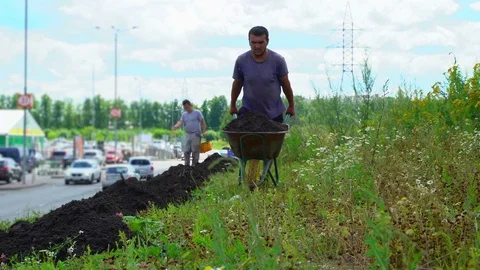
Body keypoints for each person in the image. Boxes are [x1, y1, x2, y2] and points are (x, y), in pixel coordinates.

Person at [229, 25, 295, 122]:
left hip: (273, 114)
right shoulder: (242, 61)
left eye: (261, 42)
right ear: (249, 42)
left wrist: (291, 105)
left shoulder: (278, 60)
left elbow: (286, 84)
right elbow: (237, 84)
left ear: (267, 41)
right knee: (245, 136)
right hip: (249, 112)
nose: (257, 46)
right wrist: (233, 105)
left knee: (273, 137)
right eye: (254, 42)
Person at [172, 100, 207, 166]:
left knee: (195, 151)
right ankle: (186, 166)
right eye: (185, 108)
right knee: (186, 151)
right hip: (188, 134)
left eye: (187, 107)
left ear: (190, 105)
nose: (186, 109)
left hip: (196, 134)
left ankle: (194, 165)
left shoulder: (197, 113)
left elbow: (203, 122)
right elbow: (180, 122)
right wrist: (175, 126)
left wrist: (204, 131)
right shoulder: (184, 114)